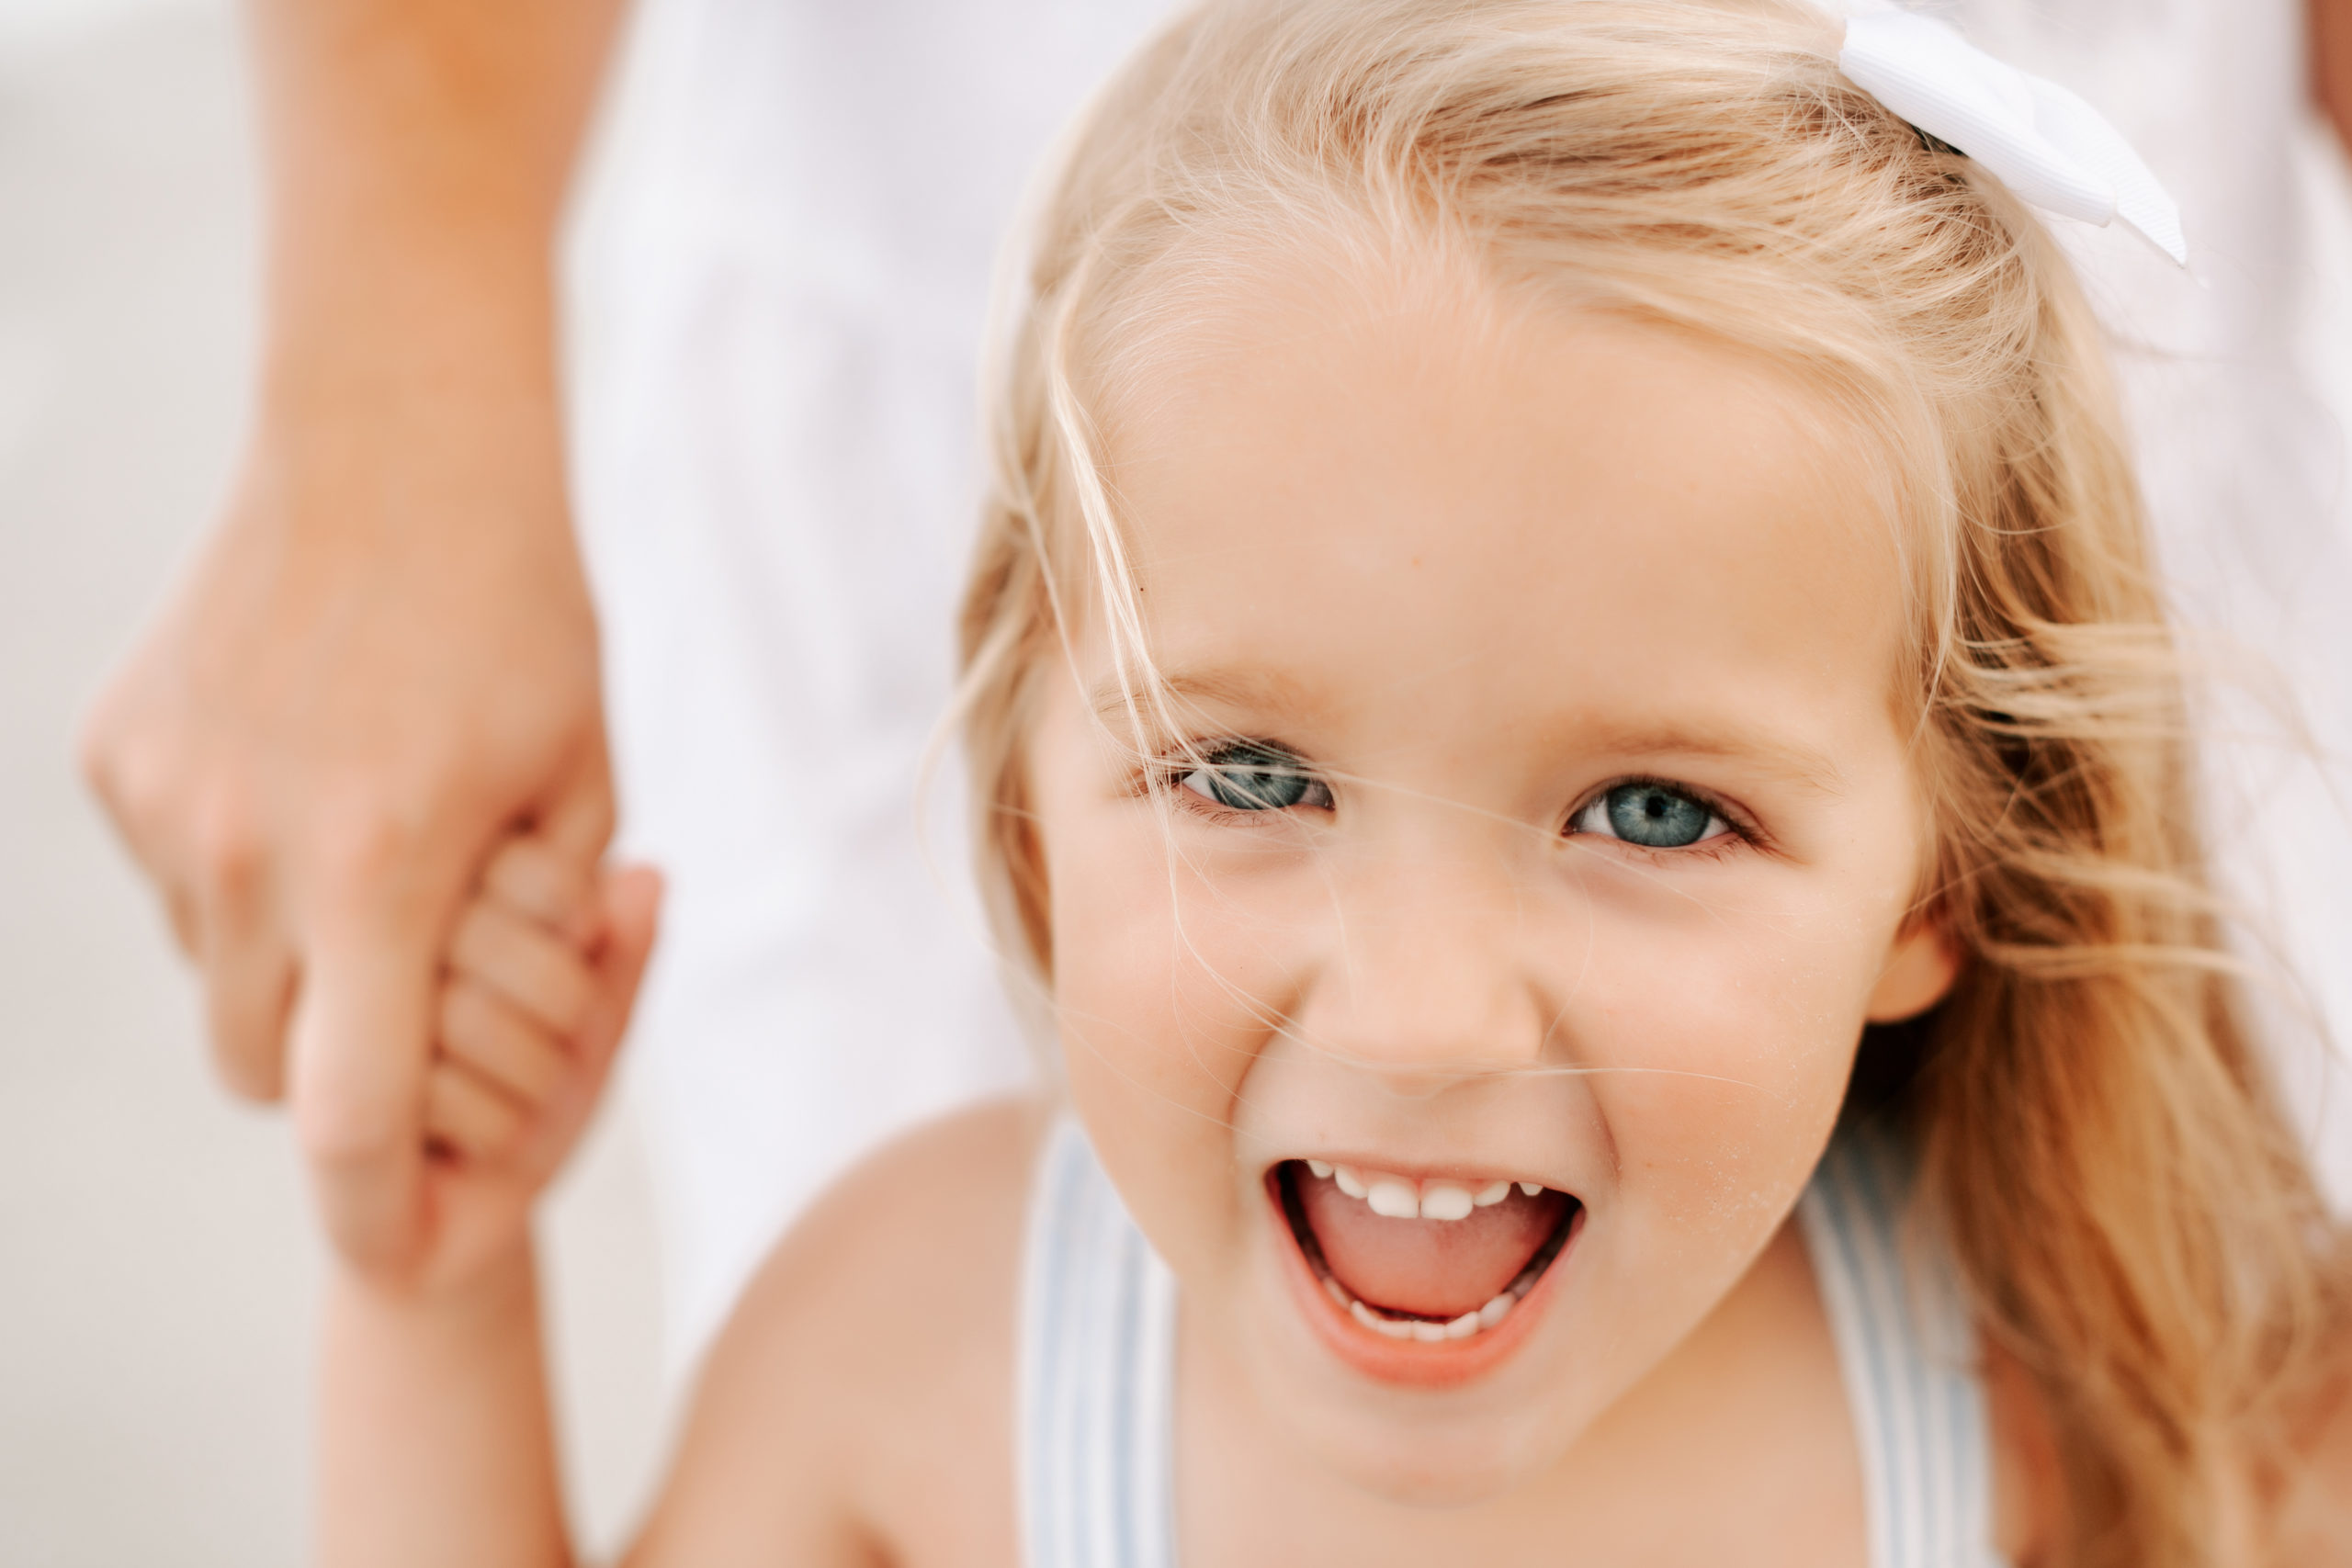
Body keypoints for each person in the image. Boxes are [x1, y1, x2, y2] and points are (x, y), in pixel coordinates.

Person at [298, 3, 2352, 1563]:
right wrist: (436, 1302)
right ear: (1023, 777)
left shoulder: (2076, 1416)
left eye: (1650, 810)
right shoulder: (920, 1367)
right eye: (1249, 770)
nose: (1418, 1016)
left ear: (1939, 877)